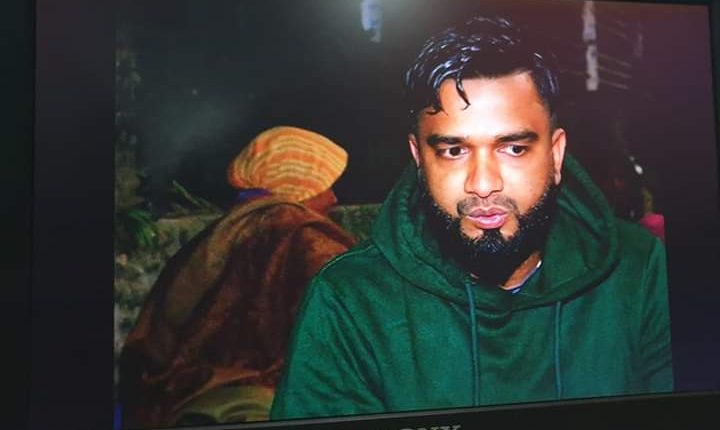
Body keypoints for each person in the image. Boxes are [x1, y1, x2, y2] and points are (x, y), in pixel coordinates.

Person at [270, 17, 672, 419]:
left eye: (513, 148)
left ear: (555, 155)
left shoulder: (639, 270)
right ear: (418, 159)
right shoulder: (349, 299)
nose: (483, 184)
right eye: (454, 151)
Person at [119, 126, 356, 427]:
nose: (333, 198)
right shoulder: (304, 235)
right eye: (325, 186)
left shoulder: (225, 230)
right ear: (299, 184)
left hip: (175, 394)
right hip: (247, 399)